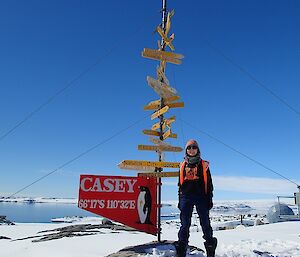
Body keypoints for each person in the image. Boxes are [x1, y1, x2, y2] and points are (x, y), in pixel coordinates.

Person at [175, 139, 217, 257]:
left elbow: (209, 184)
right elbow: (180, 184)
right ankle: (182, 249)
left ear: (198, 149)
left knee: (205, 223)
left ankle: (210, 247)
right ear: (186, 150)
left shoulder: (204, 165)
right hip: (186, 197)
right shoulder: (182, 165)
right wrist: (180, 200)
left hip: (201, 197)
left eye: (194, 147)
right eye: (189, 147)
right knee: (185, 224)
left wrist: (209, 199)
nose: (191, 150)